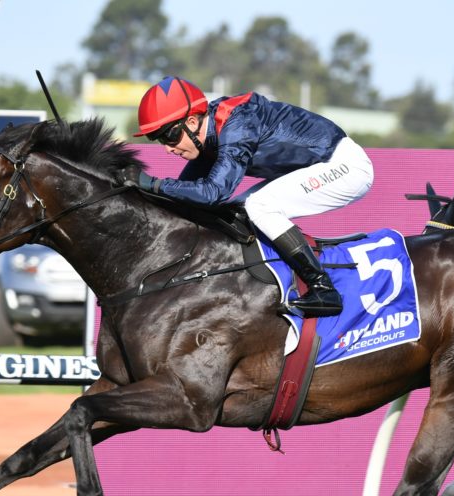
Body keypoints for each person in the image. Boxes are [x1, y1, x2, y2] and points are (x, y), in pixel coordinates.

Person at [133, 76, 375, 318]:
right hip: (318, 166)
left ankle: (324, 289)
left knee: (259, 205)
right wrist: (138, 190)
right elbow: (186, 196)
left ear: (193, 121)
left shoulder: (237, 124)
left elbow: (212, 193)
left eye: (170, 136)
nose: (168, 148)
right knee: (236, 210)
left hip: (346, 167)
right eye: (159, 140)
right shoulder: (207, 137)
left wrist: (150, 183)